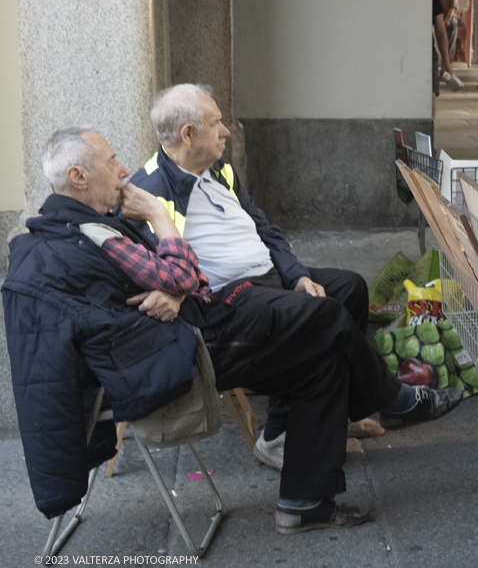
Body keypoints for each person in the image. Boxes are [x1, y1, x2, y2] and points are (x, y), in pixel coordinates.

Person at [6, 128, 458, 533]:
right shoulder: (95, 229)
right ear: (78, 176)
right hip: (181, 351)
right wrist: (161, 221)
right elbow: (181, 275)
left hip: (183, 328)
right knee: (325, 315)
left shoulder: (77, 225)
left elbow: (182, 276)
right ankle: (389, 398)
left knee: (323, 358)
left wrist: (177, 287)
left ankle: (304, 502)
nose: (122, 169)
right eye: (110, 162)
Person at [129, 84, 458, 469]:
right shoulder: (152, 191)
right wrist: (170, 292)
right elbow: (145, 266)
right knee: (322, 315)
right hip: (231, 300)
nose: (226, 131)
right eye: (216, 123)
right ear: (188, 134)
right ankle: (392, 400)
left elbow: (267, 230)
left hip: (269, 277)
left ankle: (336, 413)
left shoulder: (219, 170)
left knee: (349, 287)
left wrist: (298, 275)